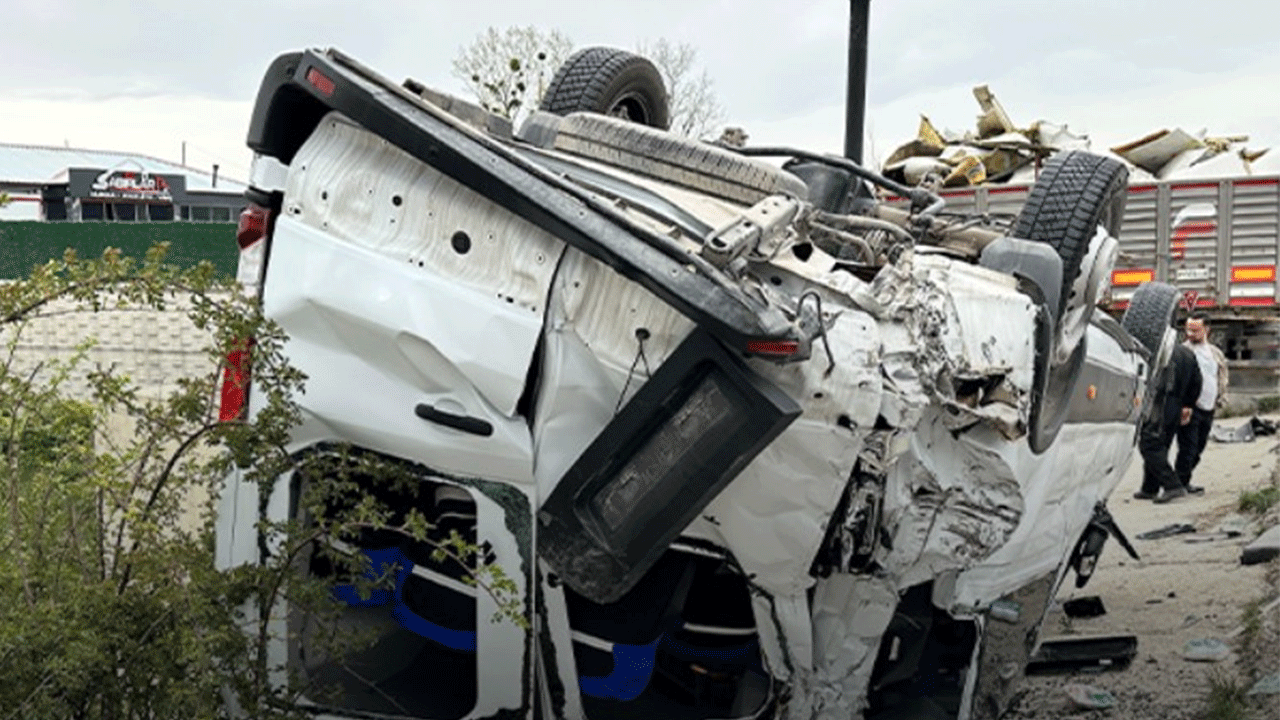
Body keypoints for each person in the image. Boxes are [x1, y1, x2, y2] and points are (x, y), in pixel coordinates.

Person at [1136, 342, 1202, 503]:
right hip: (1177, 403)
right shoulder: (1187, 353)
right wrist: (1188, 404)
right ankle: (1149, 487)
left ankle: (1171, 485)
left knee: (1149, 443)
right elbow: (1197, 381)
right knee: (1161, 444)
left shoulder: (1156, 350)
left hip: (1160, 402)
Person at [1175, 313, 1228, 493]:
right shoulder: (1183, 352)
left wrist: (1220, 397)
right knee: (1188, 448)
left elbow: (1221, 376)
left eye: (1195, 330)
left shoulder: (1215, 353)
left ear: (1207, 330)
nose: (1190, 333)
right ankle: (1180, 484)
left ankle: (1182, 479)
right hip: (1190, 408)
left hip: (1209, 407)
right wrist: (1182, 405)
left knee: (1199, 447)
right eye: (1188, 329)